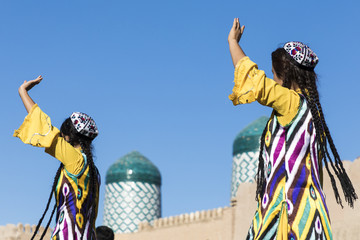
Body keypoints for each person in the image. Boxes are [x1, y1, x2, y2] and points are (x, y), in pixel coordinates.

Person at [227, 18, 357, 239]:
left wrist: (232, 42)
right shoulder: (314, 117)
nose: (274, 81)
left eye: (274, 75)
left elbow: (255, 82)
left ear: (285, 76)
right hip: (311, 219)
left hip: (288, 219)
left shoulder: (291, 103)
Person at [14, 76, 100, 240]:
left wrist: (22, 91)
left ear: (68, 137)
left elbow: (43, 126)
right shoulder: (94, 171)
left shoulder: (75, 159)